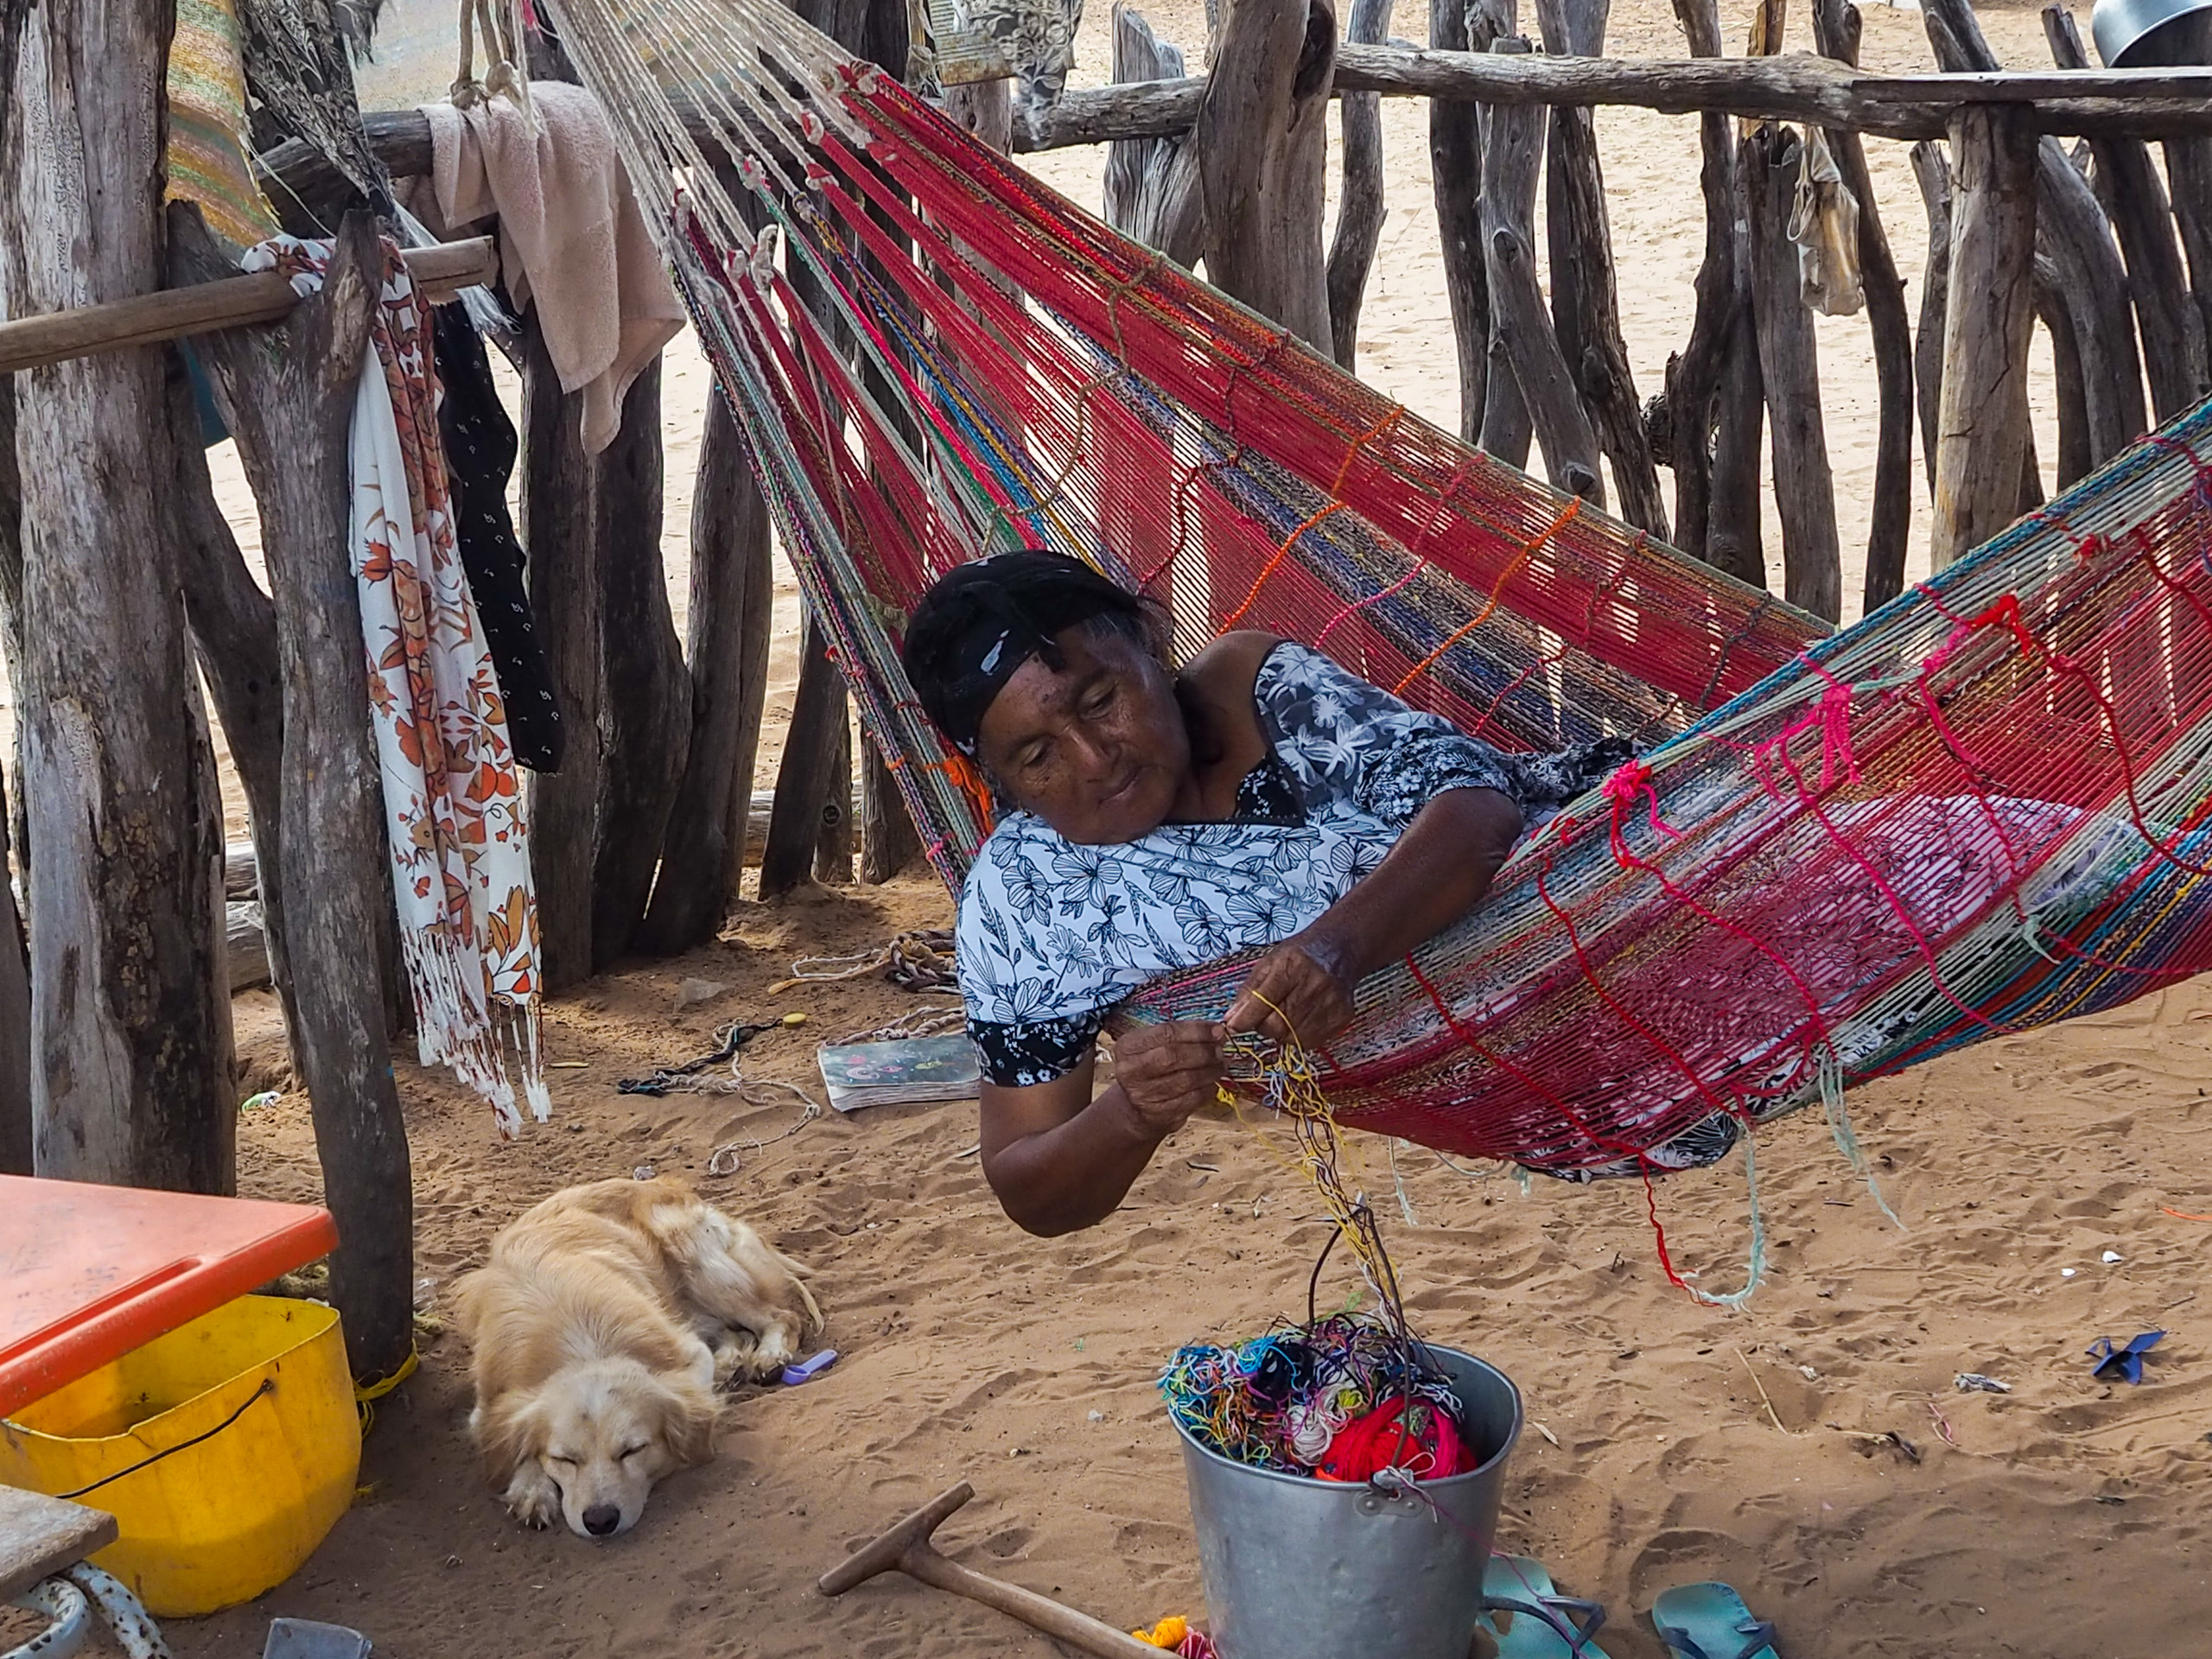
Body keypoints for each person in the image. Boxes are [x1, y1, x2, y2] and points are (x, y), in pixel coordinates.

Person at [900, 550, 1629, 1236]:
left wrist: (1338, 948)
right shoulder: (1028, 898)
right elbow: (1030, 1188)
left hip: (1621, 897)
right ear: (1001, 782)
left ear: (1152, 648)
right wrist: (1131, 1113)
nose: (1094, 758)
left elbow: (1476, 808)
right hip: (1524, 1077)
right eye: (1037, 755)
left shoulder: (1250, 690)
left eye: (1099, 699)